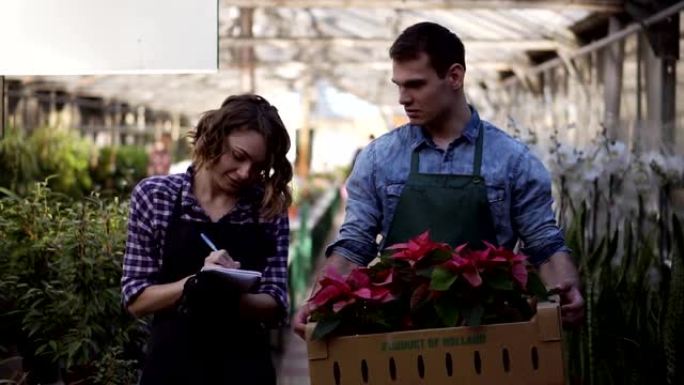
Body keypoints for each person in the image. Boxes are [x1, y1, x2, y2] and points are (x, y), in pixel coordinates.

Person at [294, 22, 584, 338]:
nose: (403, 98)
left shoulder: (511, 161)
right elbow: (354, 244)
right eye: (399, 85)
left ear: (455, 77)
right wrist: (318, 300)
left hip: (490, 334)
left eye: (416, 84)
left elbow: (544, 241)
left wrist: (564, 289)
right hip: (396, 335)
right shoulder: (380, 159)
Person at [121, 94, 293, 384]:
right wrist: (196, 283)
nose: (245, 173)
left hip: (245, 370)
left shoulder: (266, 207)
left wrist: (224, 292)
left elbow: (276, 302)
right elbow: (136, 298)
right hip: (171, 369)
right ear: (212, 139)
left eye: (258, 166)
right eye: (238, 157)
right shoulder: (155, 196)